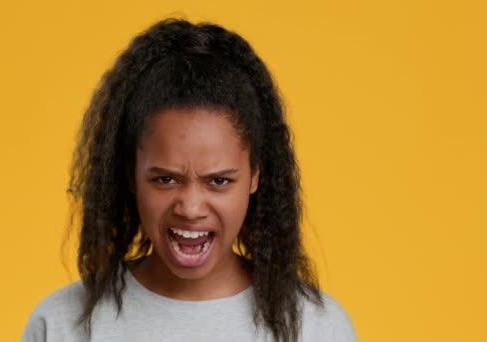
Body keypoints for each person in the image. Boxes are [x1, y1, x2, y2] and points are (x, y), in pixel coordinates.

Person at [21, 18, 356, 342]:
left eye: (220, 181)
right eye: (166, 179)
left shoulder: (317, 328)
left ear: (255, 175)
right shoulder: (62, 326)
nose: (191, 208)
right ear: (130, 176)